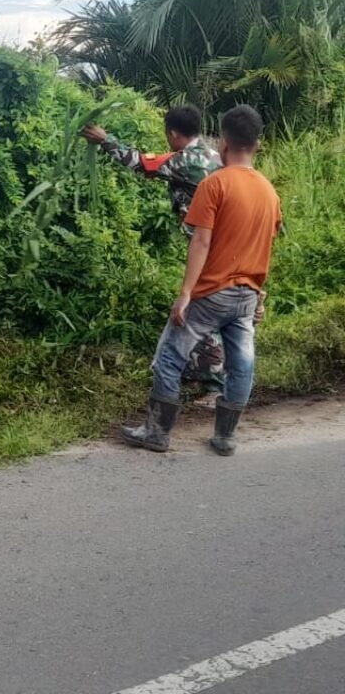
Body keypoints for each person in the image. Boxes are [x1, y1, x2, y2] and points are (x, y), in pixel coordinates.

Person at [120, 105, 282, 456]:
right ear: (256, 145)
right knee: (242, 365)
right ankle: (225, 437)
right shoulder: (269, 192)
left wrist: (185, 294)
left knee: (169, 356)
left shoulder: (215, 184)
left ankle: (157, 432)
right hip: (246, 295)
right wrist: (259, 292)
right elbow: (264, 242)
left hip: (211, 292)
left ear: (224, 143)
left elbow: (202, 241)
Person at [82, 105, 228, 404]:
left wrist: (105, 139)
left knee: (203, 309)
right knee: (213, 309)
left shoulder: (186, 160)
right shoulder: (214, 155)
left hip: (208, 246)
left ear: (173, 134)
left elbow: (141, 164)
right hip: (226, 243)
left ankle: (214, 386)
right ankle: (203, 374)